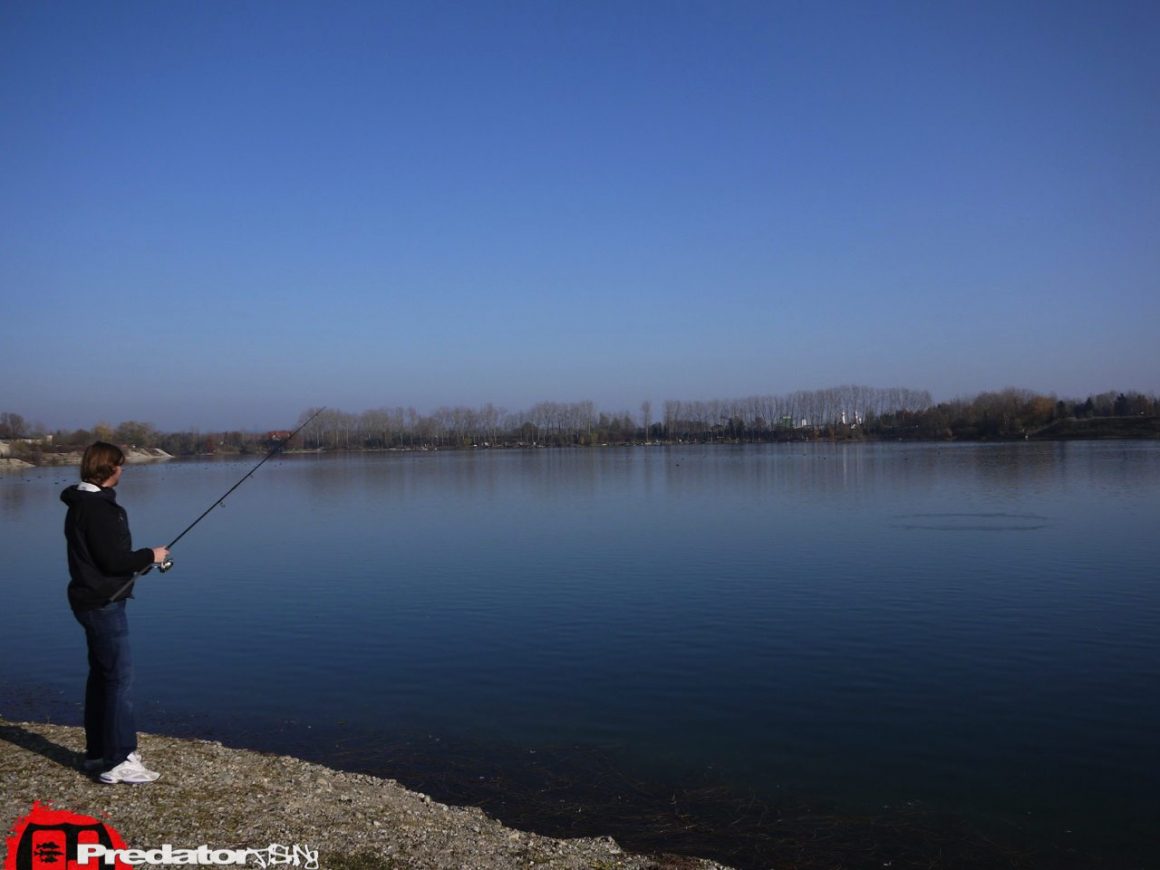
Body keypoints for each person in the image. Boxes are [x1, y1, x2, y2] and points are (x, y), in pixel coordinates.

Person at [61, 442, 169, 784]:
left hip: (90, 599)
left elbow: (103, 559)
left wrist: (141, 562)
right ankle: (119, 759)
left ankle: (97, 753)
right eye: (120, 465)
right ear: (108, 469)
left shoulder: (82, 504)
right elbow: (113, 561)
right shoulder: (98, 509)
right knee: (120, 680)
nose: (122, 470)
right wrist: (151, 555)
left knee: (102, 677)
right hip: (102, 604)